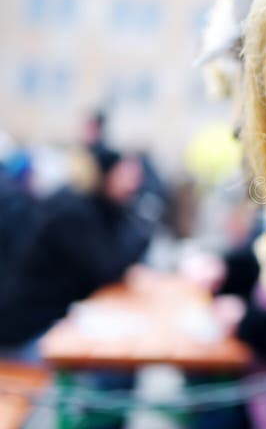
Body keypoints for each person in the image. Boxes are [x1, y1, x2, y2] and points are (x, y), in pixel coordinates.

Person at [0, 143, 153, 351]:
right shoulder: (73, 212)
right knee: (109, 366)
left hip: (54, 319)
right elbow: (107, 267)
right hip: (29, 331)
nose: (134, 183)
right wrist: (143, 223)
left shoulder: (98, 208)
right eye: (125, 174)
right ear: (105, 174)